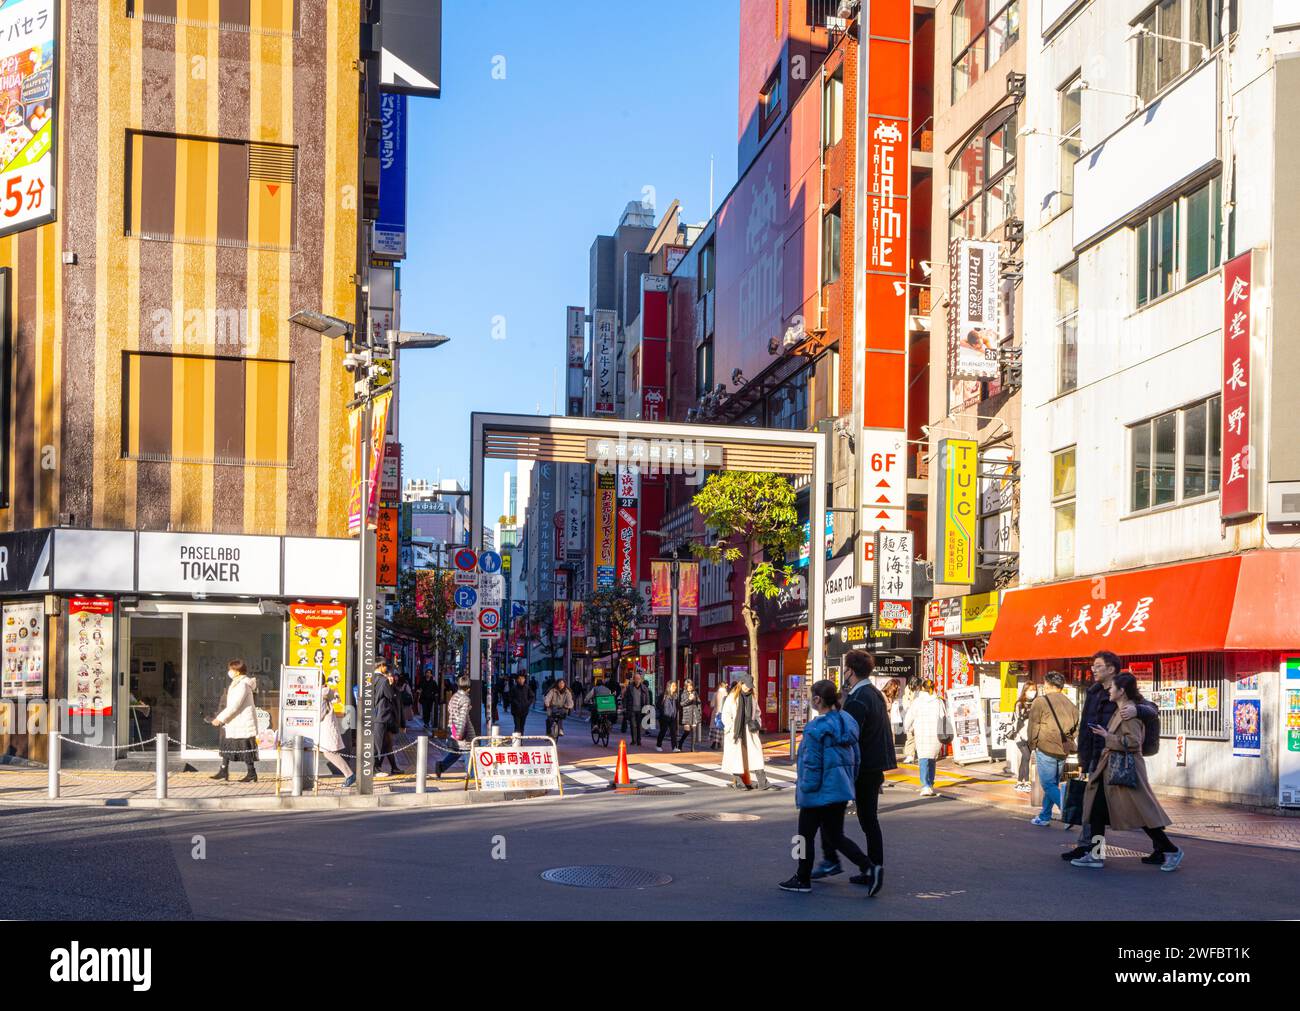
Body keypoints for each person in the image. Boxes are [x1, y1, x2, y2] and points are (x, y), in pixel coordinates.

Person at [1071, 672, 1183, 872]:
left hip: (1123, 770)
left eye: (1112, 688)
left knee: (1142, 813)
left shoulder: (1127, 712)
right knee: (1097, 812)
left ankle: (1170, 849)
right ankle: (1096, 855)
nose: (1109, 691)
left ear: (1121, 691)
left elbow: (1132, 743)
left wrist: (1107, 736)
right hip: (1111, 770)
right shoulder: (1120, 709)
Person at [1061, 651, 1161, 862]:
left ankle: (1164, 847)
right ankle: (1089, 848)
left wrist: (1136, 710)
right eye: (1093, 666)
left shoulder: (1123, 692)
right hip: (1097, 759)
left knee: (1136, 807)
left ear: (1111, 669)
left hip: (1116, 761)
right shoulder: (1094, 692)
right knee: (1095, 808)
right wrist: (1083, 758)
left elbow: (1152, 709)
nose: (1093, 669)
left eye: (1097, 666)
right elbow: (1086, 728)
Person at [812, 650, 896, 895]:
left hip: (861, 766)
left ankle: (866, 867)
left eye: (846, 669)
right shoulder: (874, 694)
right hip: (874, 764)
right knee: (867, 819)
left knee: (842, 817)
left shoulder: (859, 698)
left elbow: (849, 734)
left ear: (850, 671)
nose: (844, 674)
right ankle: (871, 866)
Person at [779, 679, 874, 893]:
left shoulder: (816, 727)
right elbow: (856, 757)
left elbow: (812, 763)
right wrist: (850, 781)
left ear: (817, 699)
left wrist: (806, 788)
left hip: (817, 791)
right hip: (840, 789)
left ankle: (802, 878)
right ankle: (869, 867)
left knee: (803, 836)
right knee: (836, 836)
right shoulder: (847, 721)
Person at [1028, 672, 1079, 825]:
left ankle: (1068, 811)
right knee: (1053, 783)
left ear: (1048, 685)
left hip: (1046, 747)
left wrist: (1033, 744)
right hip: (1063, 750)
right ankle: (1044, 816)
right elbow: (1076, 728)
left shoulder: (1040, 702)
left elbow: (1033, 726)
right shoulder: (1071, 705)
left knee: (1048, 784)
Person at [209, 659, 259, 783]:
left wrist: (220, 719)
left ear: (237, 671)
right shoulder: (236, 683)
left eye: (231, 669)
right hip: (235, 721)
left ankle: (251, 773)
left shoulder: (242, 684)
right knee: (228, 745)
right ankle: (223, 770)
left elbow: (235, 705)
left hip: (242, 722)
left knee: (244, 746)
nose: (229, 672)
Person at [722, 673, 772, 790]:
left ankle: (762, 781)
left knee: (756, 754)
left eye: (750, 686)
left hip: (749, 730)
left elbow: (758, 712)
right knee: (736, 756)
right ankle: (739, 782)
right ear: (741, 683)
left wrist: (757, 723)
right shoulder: (732, 696)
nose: (748, 688)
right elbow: (726, 714)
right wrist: (729, 728)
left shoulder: (752, 698)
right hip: (736, 730)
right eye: (746, 685)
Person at [902, 679, 947, 797]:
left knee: (923, 759)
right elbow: (944, 717)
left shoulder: (917, 701)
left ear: (922, 688)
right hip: (935, 733)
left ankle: (925, 785)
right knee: (932, 759)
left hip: (921, 732)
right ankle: (930, 783)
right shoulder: (938, 701)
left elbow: (909, 716)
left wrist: (907, 727)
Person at [317, 671, 354, 788]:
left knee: (329, 753)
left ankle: (349, 774)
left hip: (325, 727)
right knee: (328, 752)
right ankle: (349, 774)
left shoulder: (322, 692)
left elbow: (320, 714)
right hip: (325, 727)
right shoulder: (325, 691)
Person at [436, 676, 474, 779]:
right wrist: (460, 734)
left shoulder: (454, 696)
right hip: (463, 731)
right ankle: (471, 775)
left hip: (454, 727)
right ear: (468, 688)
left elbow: (450, 710)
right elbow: (462, 718)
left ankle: (441, 766)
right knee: (469, 751)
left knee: (457, 752)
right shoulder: (465, 699)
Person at [374, 663, 402, 776]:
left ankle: (394, 767)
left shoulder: (370, 678)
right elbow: (390, 696)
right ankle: (375, 768)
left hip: (374, 715)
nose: (386, 668)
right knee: (379, 744)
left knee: (387, 743)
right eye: (385, 665)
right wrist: (390, 685)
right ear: (381, 666)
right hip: (383, 716)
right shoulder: (384, 681)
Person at [1010, 683, 1039, 792]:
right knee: (1027, 756)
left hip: (1031, 736)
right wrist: (1021, 734)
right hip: (1020, 735)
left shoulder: (1036, 703)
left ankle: (1018, 782)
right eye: (1030, 689)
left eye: (1034, 689)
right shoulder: (1019, 704)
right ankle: (1026, 782)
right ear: (1025, 691)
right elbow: (1017, 720)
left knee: (1024, 758)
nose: (1033, 692)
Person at [623, 674, 649, 746]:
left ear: (641, 680)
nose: (637, 680)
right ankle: (634, 740)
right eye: (636, 678)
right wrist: (625, 707)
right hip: (632, 710)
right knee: (633, 725)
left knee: (639, 726)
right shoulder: (630, 687)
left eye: (638, 679)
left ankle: (639, 740)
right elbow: (625, 698)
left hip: (641, 710)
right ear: (633, 679)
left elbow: (647, 699)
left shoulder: (644, 688)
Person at [677, 680, 702, 752]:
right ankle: (680, 742)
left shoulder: (695, 693)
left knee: (694, 731)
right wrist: (689, 699)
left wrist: (699, 711)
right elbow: (681, 704)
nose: (690, 687)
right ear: (686, 686)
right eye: (688, 686)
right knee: (687, 731)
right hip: (687, 714)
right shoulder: (683, 694)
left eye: (691, 685)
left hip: (694, 713)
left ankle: (692, 748)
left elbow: (699, 702)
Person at [900, 677, 921, 763]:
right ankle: (909, 755)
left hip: (919, 717)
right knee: (910, 737)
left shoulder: (921, 692)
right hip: (910, 716)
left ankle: (920, 755)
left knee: (920, 738)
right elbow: (906, 706)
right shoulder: (907, 691)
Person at [655, 681, 680, 752]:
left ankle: (674, 747)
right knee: (663, 731)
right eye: (673, 686)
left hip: (672, 717)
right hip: (664, 717)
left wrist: (675, 712)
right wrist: (663, 711)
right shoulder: (663, 695)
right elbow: (658, 705)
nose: (675, 687)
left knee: (673, 732)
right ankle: (658, 745)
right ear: (669, 687)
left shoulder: (675, 696)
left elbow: (677, 706)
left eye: (675, 686)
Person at [710, 680, 729, 750]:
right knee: (721, 728)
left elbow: (712, 704)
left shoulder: (716, 693)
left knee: (715, 728)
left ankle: (715, 742)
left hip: (716, 712)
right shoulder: (727, 694)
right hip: (724, 713)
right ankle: (719, 742)